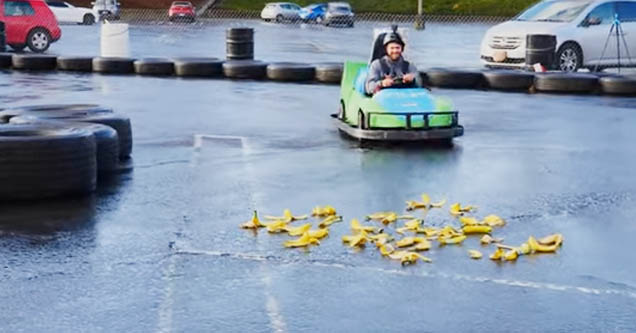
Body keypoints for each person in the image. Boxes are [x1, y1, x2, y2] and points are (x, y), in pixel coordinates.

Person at [365, 29, 422, 95]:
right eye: (392, 48)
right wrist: (382, 83)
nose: (395, 51)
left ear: (402, 49)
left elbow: (420, 83)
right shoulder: (376, 65)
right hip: (383, 100)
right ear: (386, 49)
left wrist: (413, 80)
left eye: (397, 48)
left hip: (405, 98)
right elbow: (368, 87)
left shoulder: (409, 65)